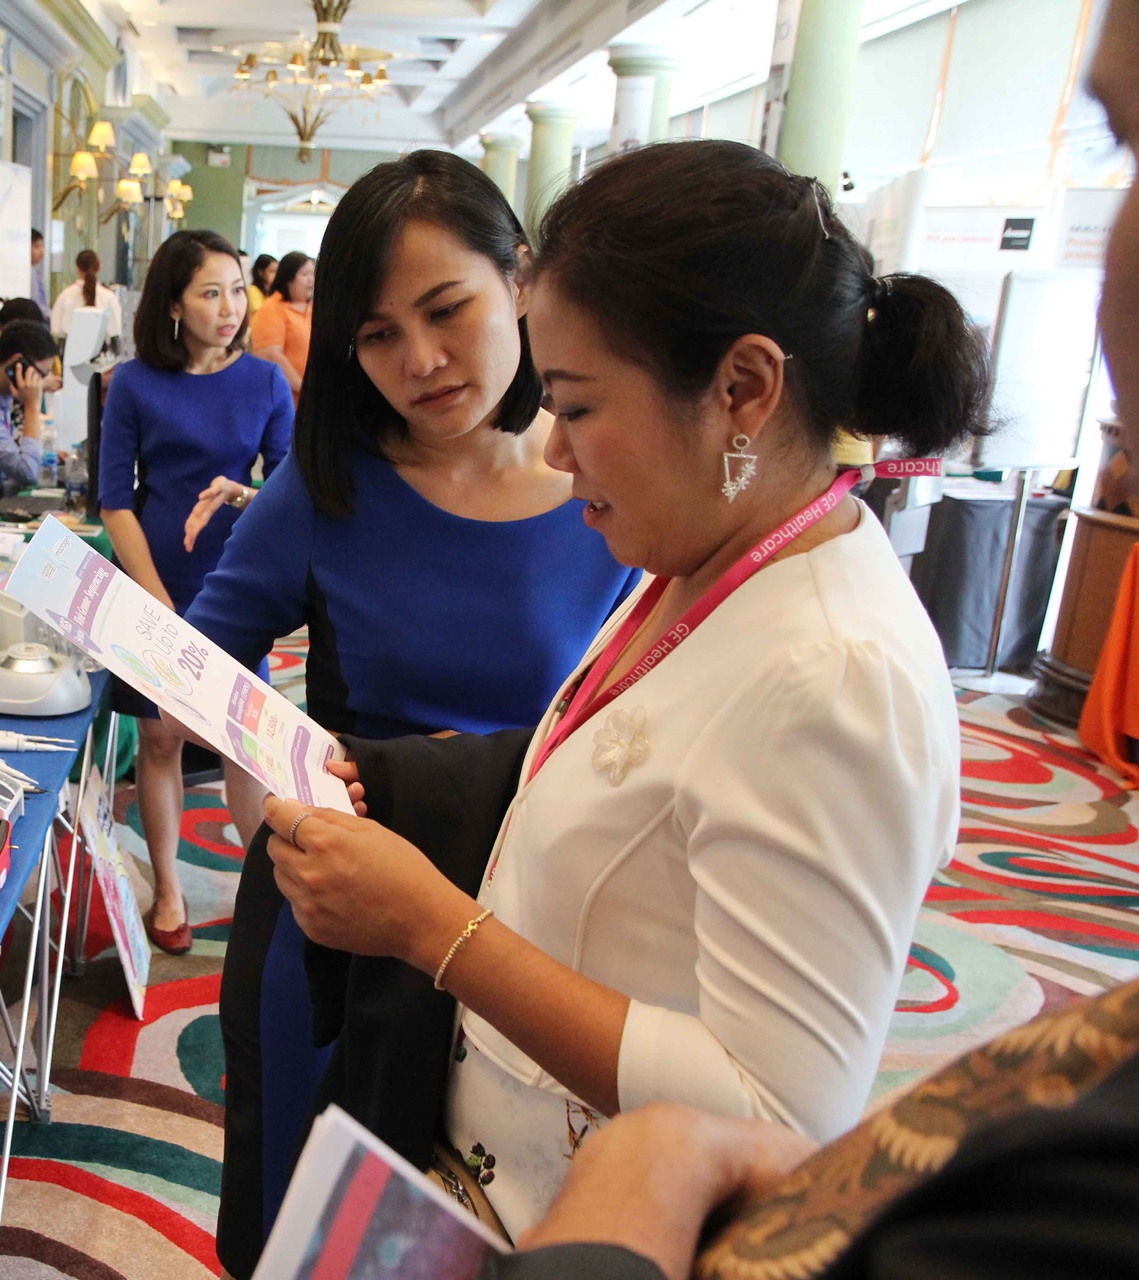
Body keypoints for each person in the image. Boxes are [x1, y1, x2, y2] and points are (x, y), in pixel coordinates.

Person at [258, 137, 992, 1246]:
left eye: (580, 407)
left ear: (742, 389)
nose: (555, 453)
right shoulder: (707, 556)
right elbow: (635, 763)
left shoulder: (837, 677)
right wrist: (414, 776)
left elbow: (778, 1118)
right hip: (491, 1170)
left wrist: (430, 925)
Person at [186, 150, 641, 1276]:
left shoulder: (608, 482)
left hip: (533, 920)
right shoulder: (329, 484)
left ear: (520, 279)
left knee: (493, 1223)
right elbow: (199, 667)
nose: (421, 362)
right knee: (310, 1222)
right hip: (338, 915)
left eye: (447, 311)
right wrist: (272, 803)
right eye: (378, 334)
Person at [97, 228, 294, 955]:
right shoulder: (134, 383)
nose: (231, 307)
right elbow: (114, 500)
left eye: (238, 290)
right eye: (211, 293)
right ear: (175, 304)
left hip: (237, 583)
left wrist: (242, 494)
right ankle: (170, 888)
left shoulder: (266, 382)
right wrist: (155, 602)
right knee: (161, 739)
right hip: (155, 578)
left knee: (245, 743)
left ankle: (264, 895)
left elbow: (290, 493)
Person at [0, 319, 59, 513]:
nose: (41, 383)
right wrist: (32, 406)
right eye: (40, 375)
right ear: (17, 363)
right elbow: (27, 471)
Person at [250, 251, 314, 397]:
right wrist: (303, 389)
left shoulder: (314, 309)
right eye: (305, 274)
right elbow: (270, 355)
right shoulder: (271, 308)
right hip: (285, 397)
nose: (311, 279)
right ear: (288, 278)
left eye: (312, 273)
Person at [51, 248, 124, 350]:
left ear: (77, 269)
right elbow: (116, 332)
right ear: (99, 267)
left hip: (69, 351)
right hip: (101, 353)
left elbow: (55, 330)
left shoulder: (65, 296)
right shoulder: (109, 297)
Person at [248, 253, 277, 318]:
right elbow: (260, 314)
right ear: (260, 272)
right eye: (272, 271)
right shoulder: (253, 290)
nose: (276, 275)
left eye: (277, 271)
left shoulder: (273, 292)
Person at [30, 227, 50, 310]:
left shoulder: (36, 270)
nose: (42, 251)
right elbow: (35, 304)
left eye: (42, 246)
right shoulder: (29, 273)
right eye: (37, 246)